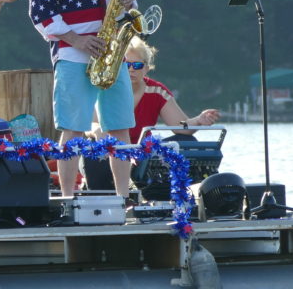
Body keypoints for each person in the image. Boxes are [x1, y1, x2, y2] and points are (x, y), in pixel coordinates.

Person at [29, 0, 137, 199]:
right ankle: (67, 200)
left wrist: (130, 1)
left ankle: (123, 198)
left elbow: (121, 4)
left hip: (110, 53)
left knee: (120, 127)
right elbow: (40, 12)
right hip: (73, 54)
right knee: (73, 130)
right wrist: (77, 39)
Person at [83, 36, 222, 192]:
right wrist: (97, 132)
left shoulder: (156, 91)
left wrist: (198, 120)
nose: (131, 69)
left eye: (137, 65)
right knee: (93, 149)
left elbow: (181, 127)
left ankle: (167, 195)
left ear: (146, 69)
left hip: (143, 155)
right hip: (111, 149)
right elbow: (90, 123)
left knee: (186, 141)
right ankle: (102, 199)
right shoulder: (106, 87)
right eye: (126, 65)